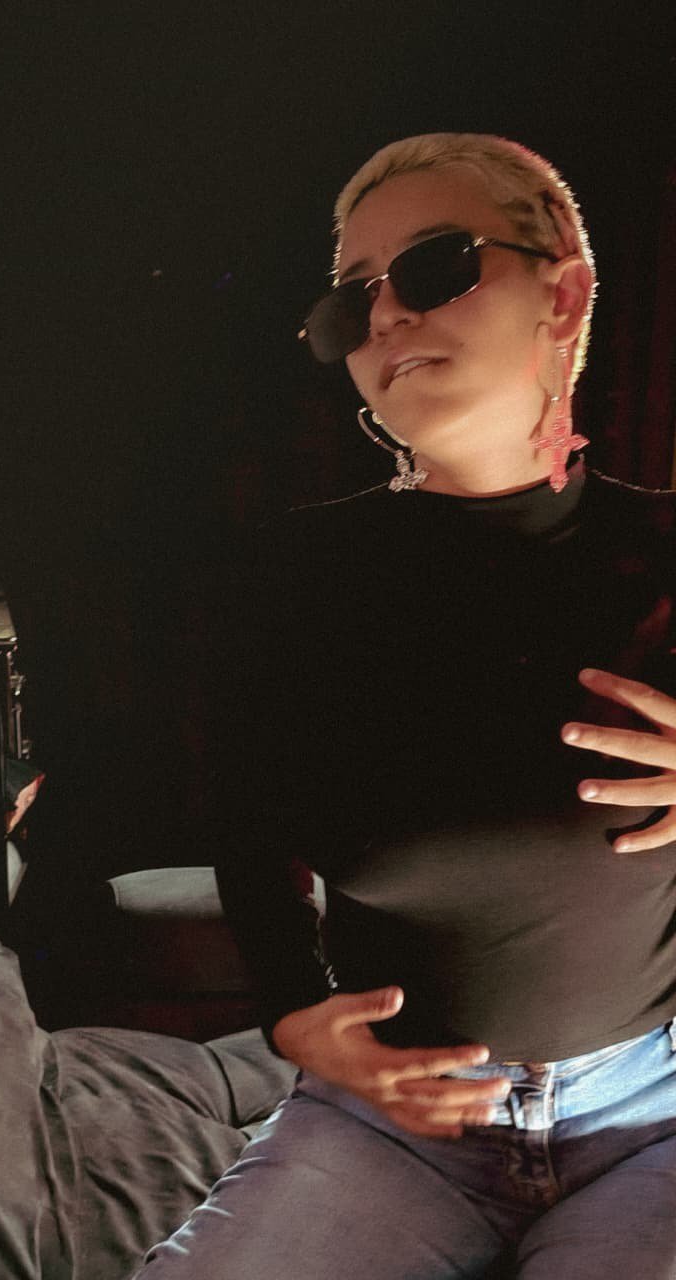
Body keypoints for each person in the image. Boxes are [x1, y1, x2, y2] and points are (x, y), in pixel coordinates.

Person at [132, 133, 676, 1278]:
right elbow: (248, 821)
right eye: (351, 300)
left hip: (654, 1113)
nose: (383, 316)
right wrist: (292, 1012)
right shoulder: (293, 580)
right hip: (391, 1125)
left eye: (434, 265)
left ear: (563, 294)